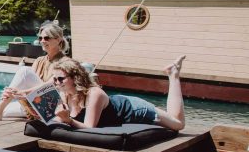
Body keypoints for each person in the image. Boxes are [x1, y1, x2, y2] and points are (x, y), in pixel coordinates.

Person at [51, 56, 186, 131]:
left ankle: (173, 74)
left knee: (178, 124)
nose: (57, 82)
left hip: (134, 110)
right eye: (55, 79)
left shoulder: (94, 94)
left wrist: (68, 120)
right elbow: (60, 119)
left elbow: (89, 128)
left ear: (75, 78)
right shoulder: (65, 95)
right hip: (118, 105)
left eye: (61, 78)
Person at [0, 20, 69, 121]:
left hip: (52, 109)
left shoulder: (65, 62)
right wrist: (12, 93)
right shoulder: (39, 61)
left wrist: (21, 92)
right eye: (40, 38)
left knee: (24, 70)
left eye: (46, 38)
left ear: (58, 40)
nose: (42, 41)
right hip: (33, 103)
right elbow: (26, 83)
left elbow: (50, 85)